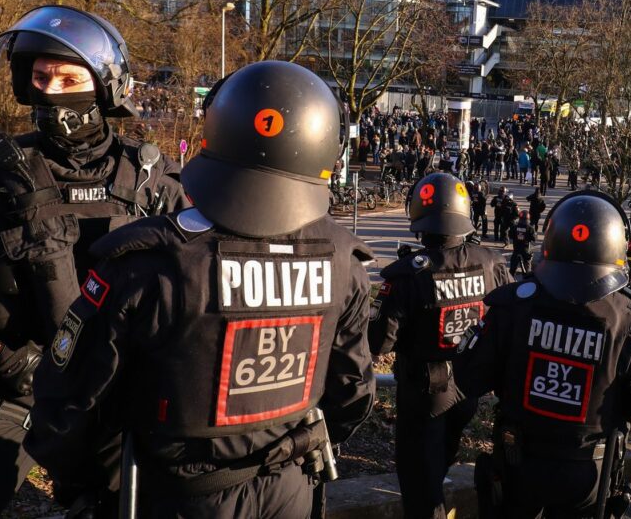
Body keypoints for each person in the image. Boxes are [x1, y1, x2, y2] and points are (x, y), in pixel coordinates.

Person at [26, 61, 376, 517]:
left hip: (174, 496)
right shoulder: (344, 262)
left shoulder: (147, 263)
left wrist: (91, 482)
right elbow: (352, 393)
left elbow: (66, 403)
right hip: (292, 490)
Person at [0, 5, 186, 518]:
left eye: (69, 77)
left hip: (117, 397)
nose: (52, 91)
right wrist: (0, 358)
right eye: (40, 76)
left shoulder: (154, 186)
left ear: (104, 85)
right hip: (15, 389)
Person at [450, 191, 631, 518]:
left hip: (518, 467)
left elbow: (467, 377)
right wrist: (628, 397)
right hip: (589, 477)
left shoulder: (511, 307)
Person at [369, 171, 511, 519]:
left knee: (421, 485)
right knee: (439, 459)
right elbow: (506, 318)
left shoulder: (409, 274)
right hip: (469, 388)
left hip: (424, 393)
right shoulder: (490, 263)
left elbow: (380, 341)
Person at [508, 211, 537, 278]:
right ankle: (527, 281)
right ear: (528, 218)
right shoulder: (530, 228)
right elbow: (534, 239)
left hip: (516, 250)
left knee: (512, 269)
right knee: (528, 269)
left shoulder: (514, 227)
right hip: (526, 250)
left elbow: (510, 236)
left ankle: (510, 280)